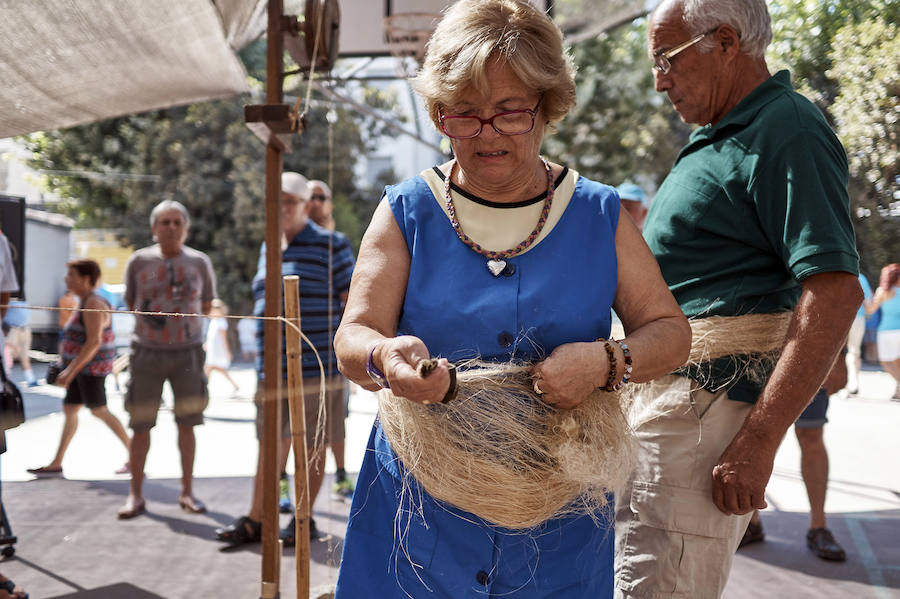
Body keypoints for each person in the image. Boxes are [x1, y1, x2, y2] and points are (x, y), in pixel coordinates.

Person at [331, 1, 691, 596]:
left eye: (509, 113)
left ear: (547, 107)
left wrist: (606, 363)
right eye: (463, 115)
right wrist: (385, 358)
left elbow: (670, 332)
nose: (486, 133)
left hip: (557, 529)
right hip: (415, 521)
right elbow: (354, 336)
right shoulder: (407, 210)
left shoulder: (598, 213)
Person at [615, 1, 864, 597]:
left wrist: (758, 441)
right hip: (665, 406)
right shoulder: (721, 134)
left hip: (702, 412)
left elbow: (833, 291)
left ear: (725, 41)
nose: (659, 80)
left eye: (666, 60)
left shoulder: (787, 127)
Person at [215, 171, 355, 546]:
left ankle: (304, 520)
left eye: (290, 201)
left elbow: (354, 305)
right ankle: (258, 519)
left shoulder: (332, 244)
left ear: (306, 204)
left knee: (311, 448)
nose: (282, 209)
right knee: (270, 447)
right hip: (270, 372)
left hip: (316, 368)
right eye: (275, 201)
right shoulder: (268, 247)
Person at [118, 200, 216, 519]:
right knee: (140, 424)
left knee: (188, 423)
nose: (171, 228)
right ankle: (135, 495)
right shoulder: (138, 261)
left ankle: (187, 492)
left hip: (188, 352)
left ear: (186, 228)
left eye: (177, 222)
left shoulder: (200, 263)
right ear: (153, 228)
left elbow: (206, 302)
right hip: (146, 352)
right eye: (165, 222)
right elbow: (132, 301)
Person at [27, 259, 131, 477]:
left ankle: (135, 454)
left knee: (99, 410)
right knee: (71, 410)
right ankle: (57, 462)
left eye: (71, 275)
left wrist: (70, 370)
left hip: (89, 371)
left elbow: (94, 342)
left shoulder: (93, 303)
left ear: (85, 279)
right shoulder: (83, 301)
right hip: (81, 370)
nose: (67, 279)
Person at [739, 352, 848, 561]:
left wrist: (839, 357)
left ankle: (819, 526)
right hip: (761, 354)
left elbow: (840, 317)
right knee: (757, 437)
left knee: (811, 436)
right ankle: (750, 523)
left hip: (810, 355)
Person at [305, 178, 355, 499]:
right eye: (310, 197)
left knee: (336, 419)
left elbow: (350, 298)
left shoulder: (336, 242)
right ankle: (286, 480)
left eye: (321, 197)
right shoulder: (282, 242)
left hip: (328, 353)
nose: (315, 203)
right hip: (291, 355)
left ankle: (339, 474)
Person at [868, 263, 900, 400]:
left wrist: (865, 302)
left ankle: (898, 387)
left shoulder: (882, 291)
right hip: (898, 331)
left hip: (885, 331)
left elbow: (870, 310)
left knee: (885, 361)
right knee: (897, 361)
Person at [845, 272, 873, 395]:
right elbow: (868, 304)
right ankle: (853, 382)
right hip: (858, 318)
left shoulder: (837, 274)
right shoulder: (861, 278)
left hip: (839, 318)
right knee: (854, 351)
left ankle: (845, 383)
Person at [204, 298, 239, 393]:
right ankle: (204, 387)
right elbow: (211, 336)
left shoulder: (221, 322)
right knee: (215, 369)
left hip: (218, 350)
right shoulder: (213, 321)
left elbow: (223, 339)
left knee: (209, 368)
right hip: (212, 349)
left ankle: (203, 388)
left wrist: (227, 352)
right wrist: (207, 344)